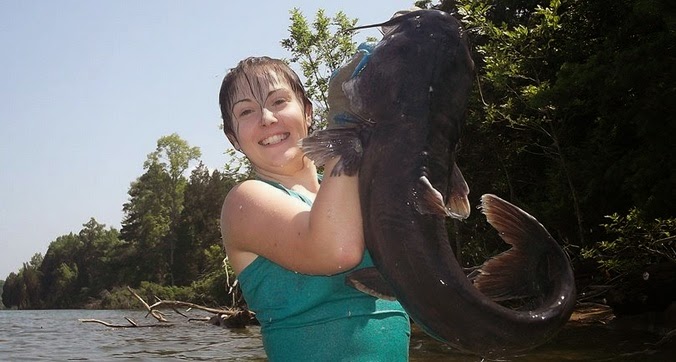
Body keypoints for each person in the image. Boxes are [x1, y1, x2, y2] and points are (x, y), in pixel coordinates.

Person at [218, 51, 411, 360]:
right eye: (246, 112)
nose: (267, 118)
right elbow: (336, 249)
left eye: (278, 101)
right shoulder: (244, 201)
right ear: (234, 138)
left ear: (307, 112)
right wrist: (345, 125)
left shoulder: (358, 188)